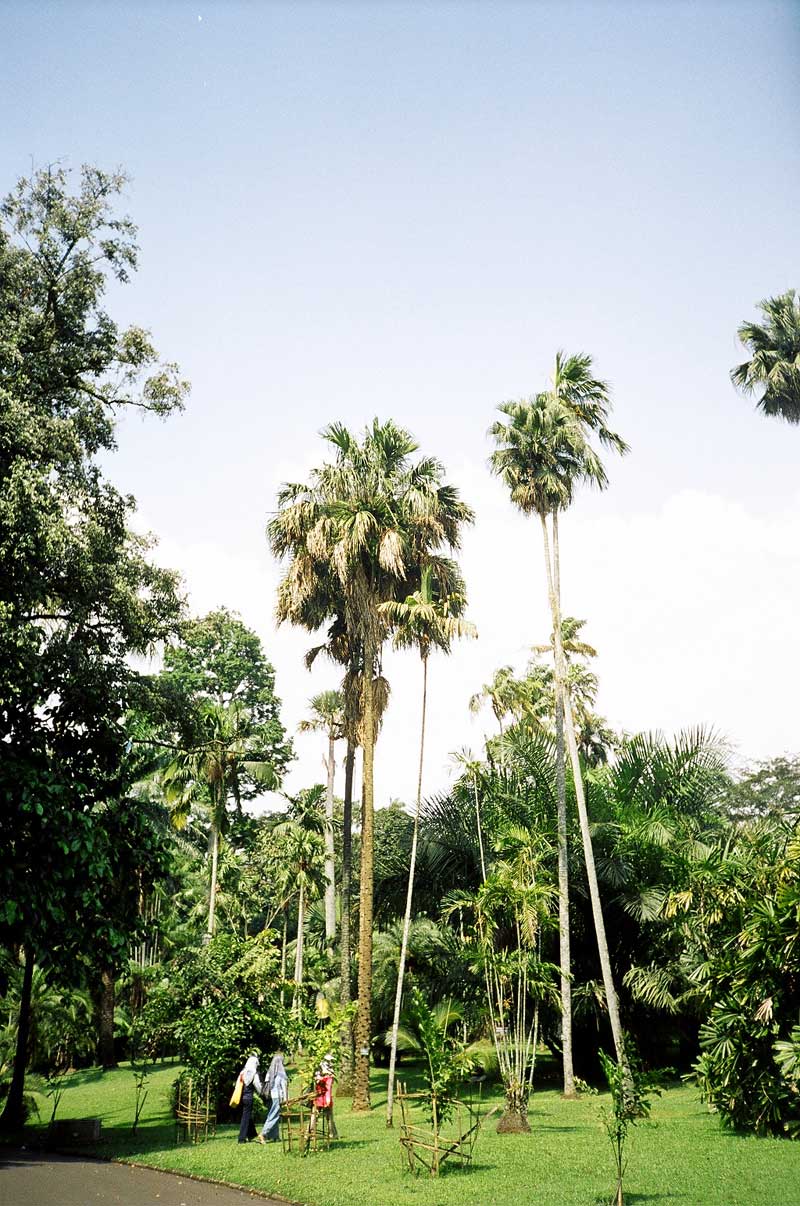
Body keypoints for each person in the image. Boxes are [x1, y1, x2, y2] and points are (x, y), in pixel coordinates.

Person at [257, 1052, 288, 1144]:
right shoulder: (281, 1074)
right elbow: (284, 1088)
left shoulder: (270, 1073)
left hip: (271, 1097)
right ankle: (263, 1133)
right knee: (273, 1116)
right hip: (278, 1097)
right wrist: (286, 1100)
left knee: (275, 1115)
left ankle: (275, 1136)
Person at [237, 1052, 263, 1143]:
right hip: (249, 1097)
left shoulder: (242, 1072)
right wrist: (262, 1093)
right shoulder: (253, 1073)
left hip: (241, 1097)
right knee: (246, 1117)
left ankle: (252, 1134)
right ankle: (241, 1138)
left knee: (247, 1116)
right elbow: (257, 1085)